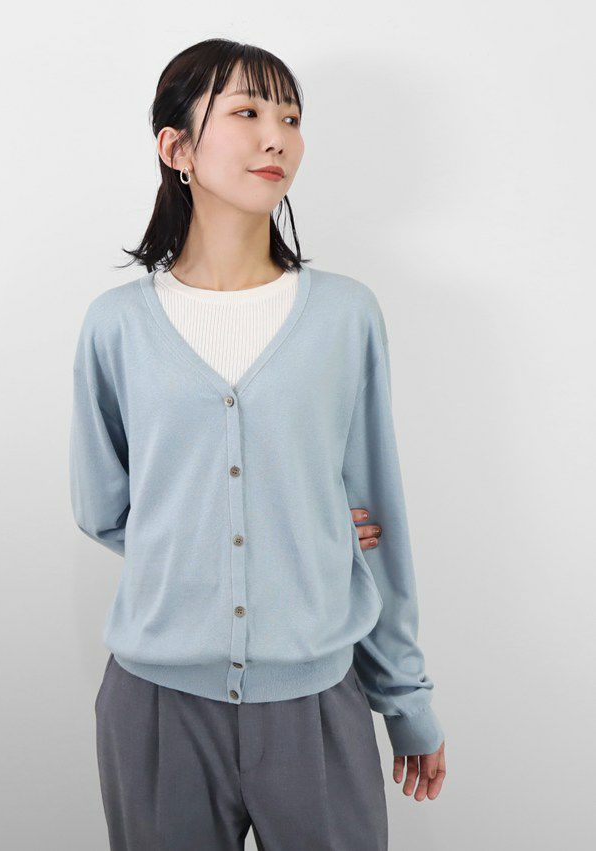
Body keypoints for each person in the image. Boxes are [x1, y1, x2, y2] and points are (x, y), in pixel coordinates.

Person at [70, 38, 446, 851]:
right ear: (176, 148)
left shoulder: (345, 315)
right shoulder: (116, 325)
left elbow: (379, 515)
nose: (276, 136)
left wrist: (405, 696)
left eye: (291, 118)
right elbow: (102, 507)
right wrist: (262, 531)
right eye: (245, 111)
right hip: (156, 706)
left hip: (316, 698)